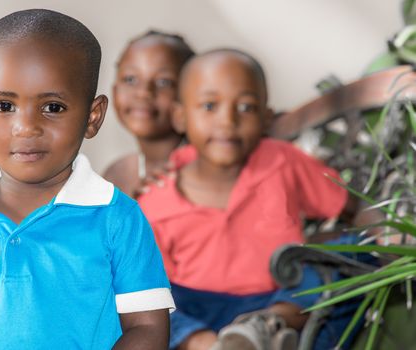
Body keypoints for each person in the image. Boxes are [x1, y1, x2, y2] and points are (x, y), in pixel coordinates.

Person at [0, 9, 174, 350]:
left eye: (53, 107)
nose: (26, 127)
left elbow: (148, 327)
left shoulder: (117, 218)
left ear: (93, 117)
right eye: (4, 106)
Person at [138, 49, 353, 350]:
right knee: (141, 300)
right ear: (181, 116)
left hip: (283, 301)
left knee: (351, 254)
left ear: (266, 118)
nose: (227, 121)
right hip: (198, 311)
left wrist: (382, 232)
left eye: (246, 107)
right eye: (210, 106)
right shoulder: (157, 198)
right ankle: (209, 345)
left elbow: (352, 206)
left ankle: (266, 327)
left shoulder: (282, 162)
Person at [103, 30, 195, 197]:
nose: (144, 92)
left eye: (163, 82)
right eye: (130, 79)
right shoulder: (117, 174)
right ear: (115, 90)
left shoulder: (204, 173)